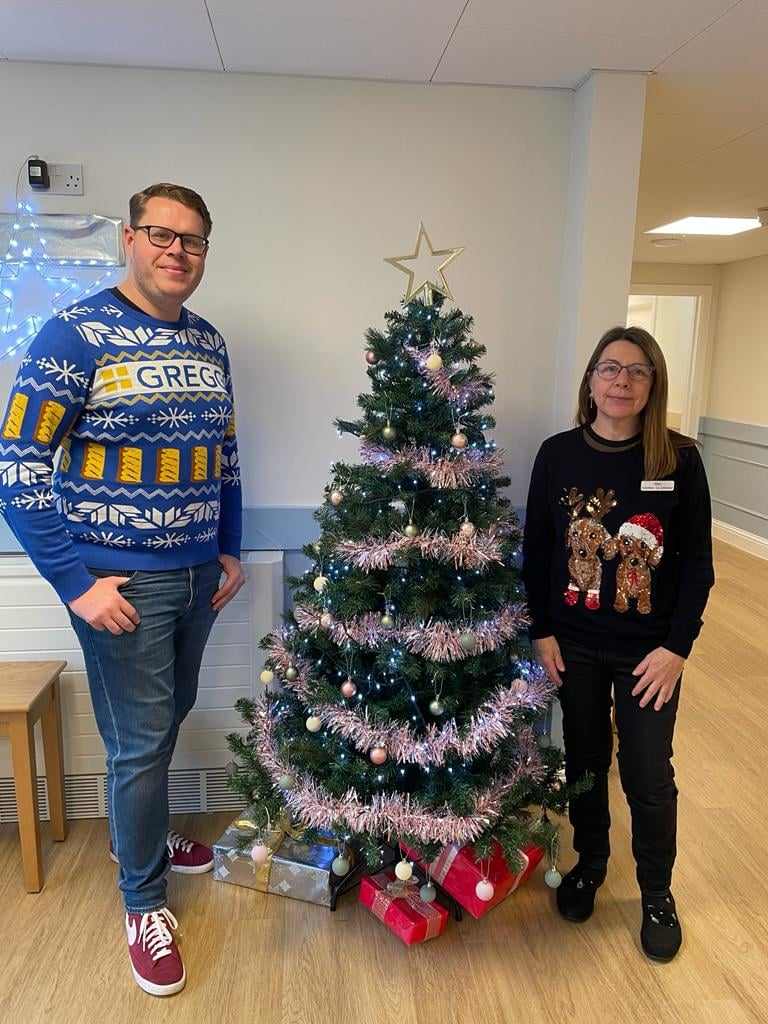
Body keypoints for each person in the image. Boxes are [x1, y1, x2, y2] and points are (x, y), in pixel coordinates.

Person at [0, 183, 244, 996]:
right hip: (121, 582)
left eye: (194, 241)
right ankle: (142, 898)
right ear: (129, 242)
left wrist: (228, 547)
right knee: (140, 740)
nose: (178, 252)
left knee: (165, 717)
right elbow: (19, 465)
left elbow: (225, 457)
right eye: (161, 235)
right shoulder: (74, 334)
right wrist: (76, 584)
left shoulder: (210, 343)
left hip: (198, 574)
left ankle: (136, 837)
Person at [522, 325, 714, 962]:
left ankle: (657, 891)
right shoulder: (556, 454)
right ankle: (591, 862)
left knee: (648, 774)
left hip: (649, 654)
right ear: (591, 381)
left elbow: (696, 567)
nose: (622, 381)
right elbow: (540, 551)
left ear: (652, 385)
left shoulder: (679, 460)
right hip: (572, 646)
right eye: (610, 368)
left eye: (637, 371)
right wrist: (542, 629)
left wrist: (678, 648)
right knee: (583, 761)